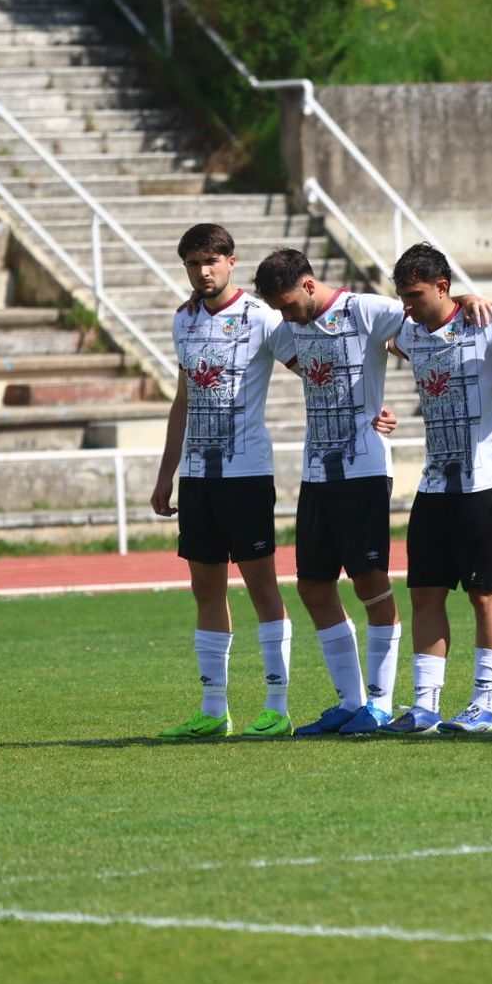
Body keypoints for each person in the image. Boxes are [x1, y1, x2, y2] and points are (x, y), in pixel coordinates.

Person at [251, 249, 406, 736]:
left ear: (309, 284)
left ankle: (381, 703)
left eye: (289, 303)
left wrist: (463, 296)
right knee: (314, 585)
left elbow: (428, 328)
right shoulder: (286, 327)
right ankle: (350, 701)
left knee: (370, 580)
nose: (284, 315)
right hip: (317, 471)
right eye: (276, 307)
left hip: (365, 470)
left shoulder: (366, 310)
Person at [151, 223, 293, 739]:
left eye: (211, 260)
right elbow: (183, 401)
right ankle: (214, 710)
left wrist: (367, 406)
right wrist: (167, 475)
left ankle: (276, 705)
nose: (202, 271)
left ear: (232, 261)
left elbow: (315, 367)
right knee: (205, 588)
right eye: (192, 263)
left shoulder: (262, 318)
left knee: (261, 587)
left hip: (247, 474)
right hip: (198, 479)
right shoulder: (183, 320)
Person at [379, 244, 492, 735]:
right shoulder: (410, 333)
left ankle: (484, 703)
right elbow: (379, 344)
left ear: (442, 287)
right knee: (425, 594)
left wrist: (478, 296)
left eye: (415, 295)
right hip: (434, 487)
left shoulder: (488, 323)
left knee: (485, 594)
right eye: (401, 297)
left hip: (487, 485)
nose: (407, 306)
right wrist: (381, 409)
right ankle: (425, 705)